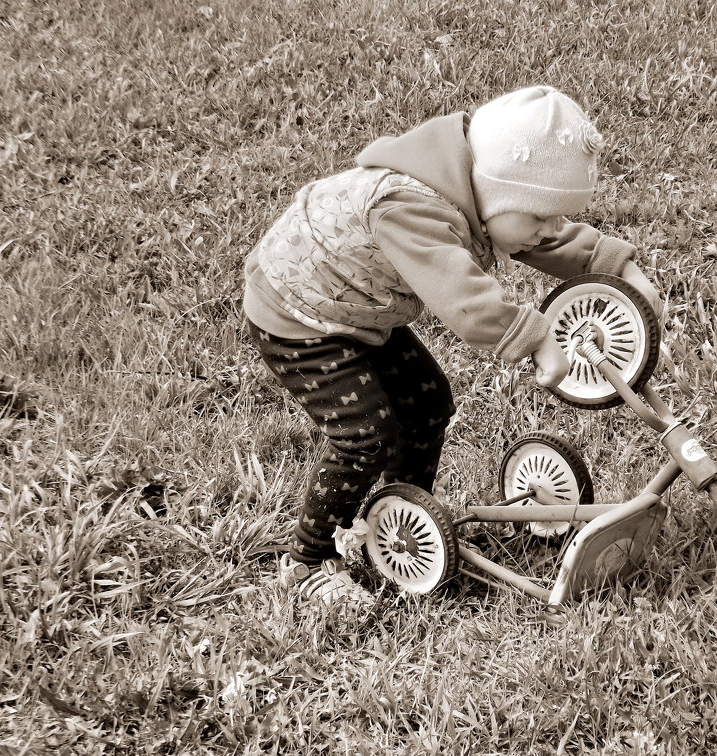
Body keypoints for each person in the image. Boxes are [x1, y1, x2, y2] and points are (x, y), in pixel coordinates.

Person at [243, 85, 662, 605]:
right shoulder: (407, 208)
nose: (548, 230)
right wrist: (537, 337)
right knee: (365, 433)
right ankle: (308, 561)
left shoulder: (487, 195)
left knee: (428, 404)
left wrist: (617, 265)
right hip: (298, 315)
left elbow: (544, 238)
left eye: (556, 215)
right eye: (539, 216)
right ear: (496, 190)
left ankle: (402, 510)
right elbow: (464, 301)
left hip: (358, 306)